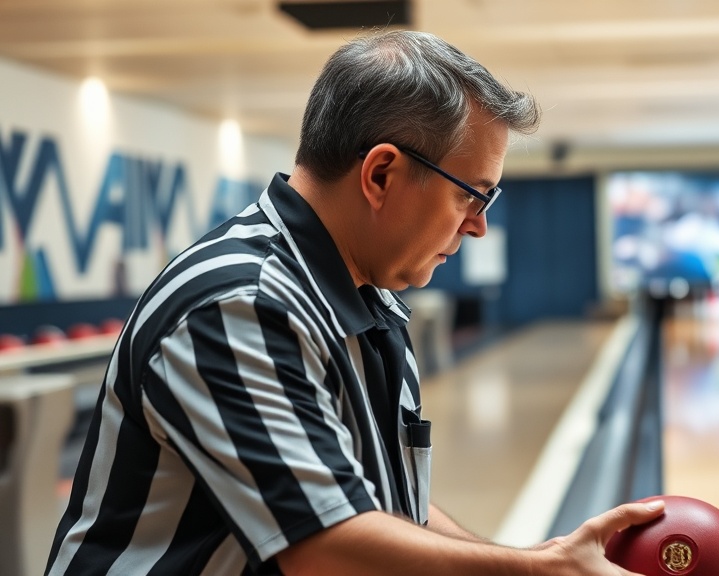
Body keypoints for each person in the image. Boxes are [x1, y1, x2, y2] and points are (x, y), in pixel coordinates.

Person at [46, 30, 663, 575]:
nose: (477, 227)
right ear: (381, 175)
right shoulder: (241, 303)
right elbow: (330, 549)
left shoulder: (365, 295)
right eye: (472, 197)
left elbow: (381, 509)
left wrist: (534, 562)